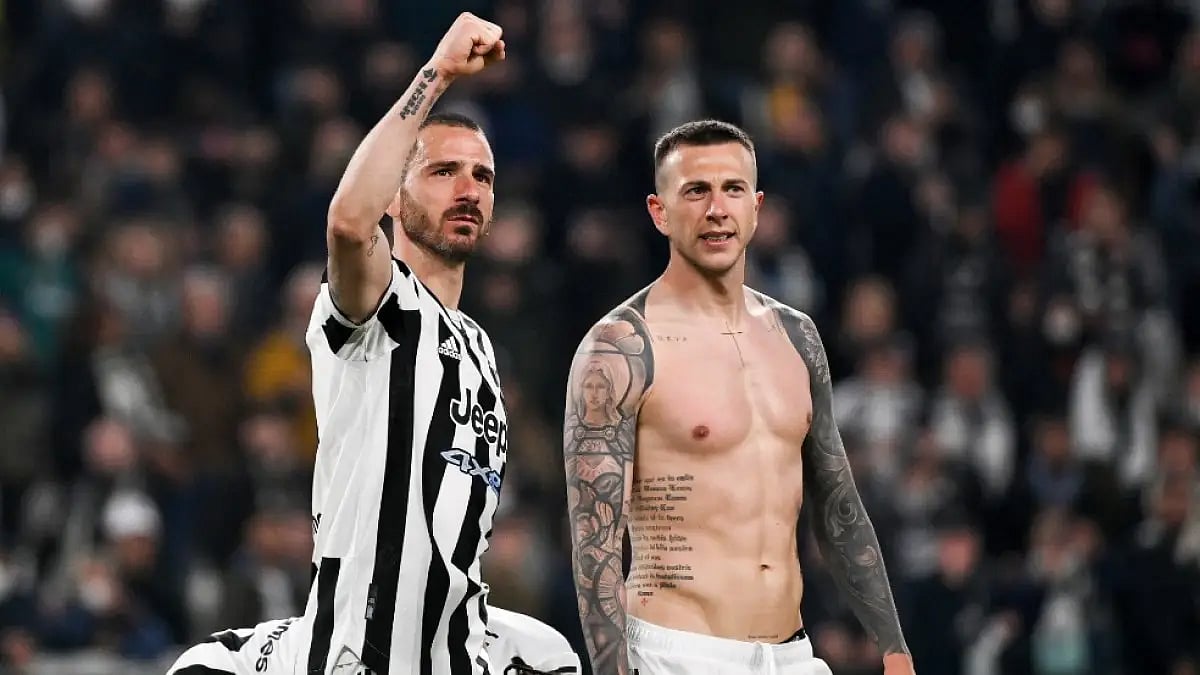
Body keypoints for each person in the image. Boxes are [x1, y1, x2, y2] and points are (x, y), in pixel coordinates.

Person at [165, 12, 539, 675]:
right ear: (395, 198)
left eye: (482, 177)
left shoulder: (483, 351)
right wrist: (439, 71)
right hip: (356, 649)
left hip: (451, 648)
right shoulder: (380, 304)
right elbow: (346, 220)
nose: (469, 188)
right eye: (444, 170)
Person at [563, 120, 915, 675]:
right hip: (678, 652)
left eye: (732, 190)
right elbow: (594, 543)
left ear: (757, 207)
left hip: (791, 654)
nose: (716, 209)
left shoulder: (797, 336)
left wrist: (894, 648)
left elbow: (838, 502)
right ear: (659, 212)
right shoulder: (621, 347)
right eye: (696, 191)